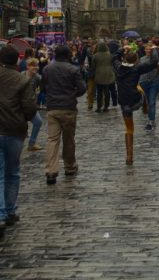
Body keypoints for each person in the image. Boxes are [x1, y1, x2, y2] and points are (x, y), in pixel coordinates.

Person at [0, 45, 37, 237]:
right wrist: (22, 118)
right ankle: (10, 211)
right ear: (17, 61)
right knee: (12, 172)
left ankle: (1, 214)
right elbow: (30, 108)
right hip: (14, 130)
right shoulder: (22, 80)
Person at [43, 45, 86, 185]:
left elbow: (43, 87)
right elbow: (82, 88)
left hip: (52, 108)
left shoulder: (47, 69)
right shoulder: (73, 69)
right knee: (68, 139)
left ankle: (51, 171)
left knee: (52, 140)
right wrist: (72, 95)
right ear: (68, 55)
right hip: (68, 108)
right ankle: (69, 166)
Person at [112, 48, 159, 164]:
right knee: (141, 90)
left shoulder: (118, 68)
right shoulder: (136, 68)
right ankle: (144, 106)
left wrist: (121, 50)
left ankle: (129, 156)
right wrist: (153, 50)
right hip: (135, 100)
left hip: (123, 101)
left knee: (129, 128)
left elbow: (113, 58)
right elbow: (153, 62)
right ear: (136, 60)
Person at [138, 44, 159, 130]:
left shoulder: (156, 59)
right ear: (144, 50)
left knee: (152, 102)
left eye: (150, 50)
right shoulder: (141, 59)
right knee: (148, 102)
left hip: (153, 82)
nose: (148, 51)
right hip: (144, 82)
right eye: (147, 49)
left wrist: (158, 73)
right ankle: (151, 119)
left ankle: (151, 121)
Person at [23, 58, 43, 151]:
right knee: (21, 125)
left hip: (31, 105)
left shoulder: (38, 77)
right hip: (20, 105)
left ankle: (31, 143)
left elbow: (43, 88)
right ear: (28, 66)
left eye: (36, 65)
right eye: (33, 65)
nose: (35, 67)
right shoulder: (21, 75)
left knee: (38, 122)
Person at [92, 42, 115, 112]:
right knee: (107, 91)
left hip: (99, 74)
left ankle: (99, 107)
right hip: (108, 74)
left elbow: (93, 66)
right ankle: (106, 107)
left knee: (99, 92)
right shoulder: (110, 55)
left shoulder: (95, 55)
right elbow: (113, 63)